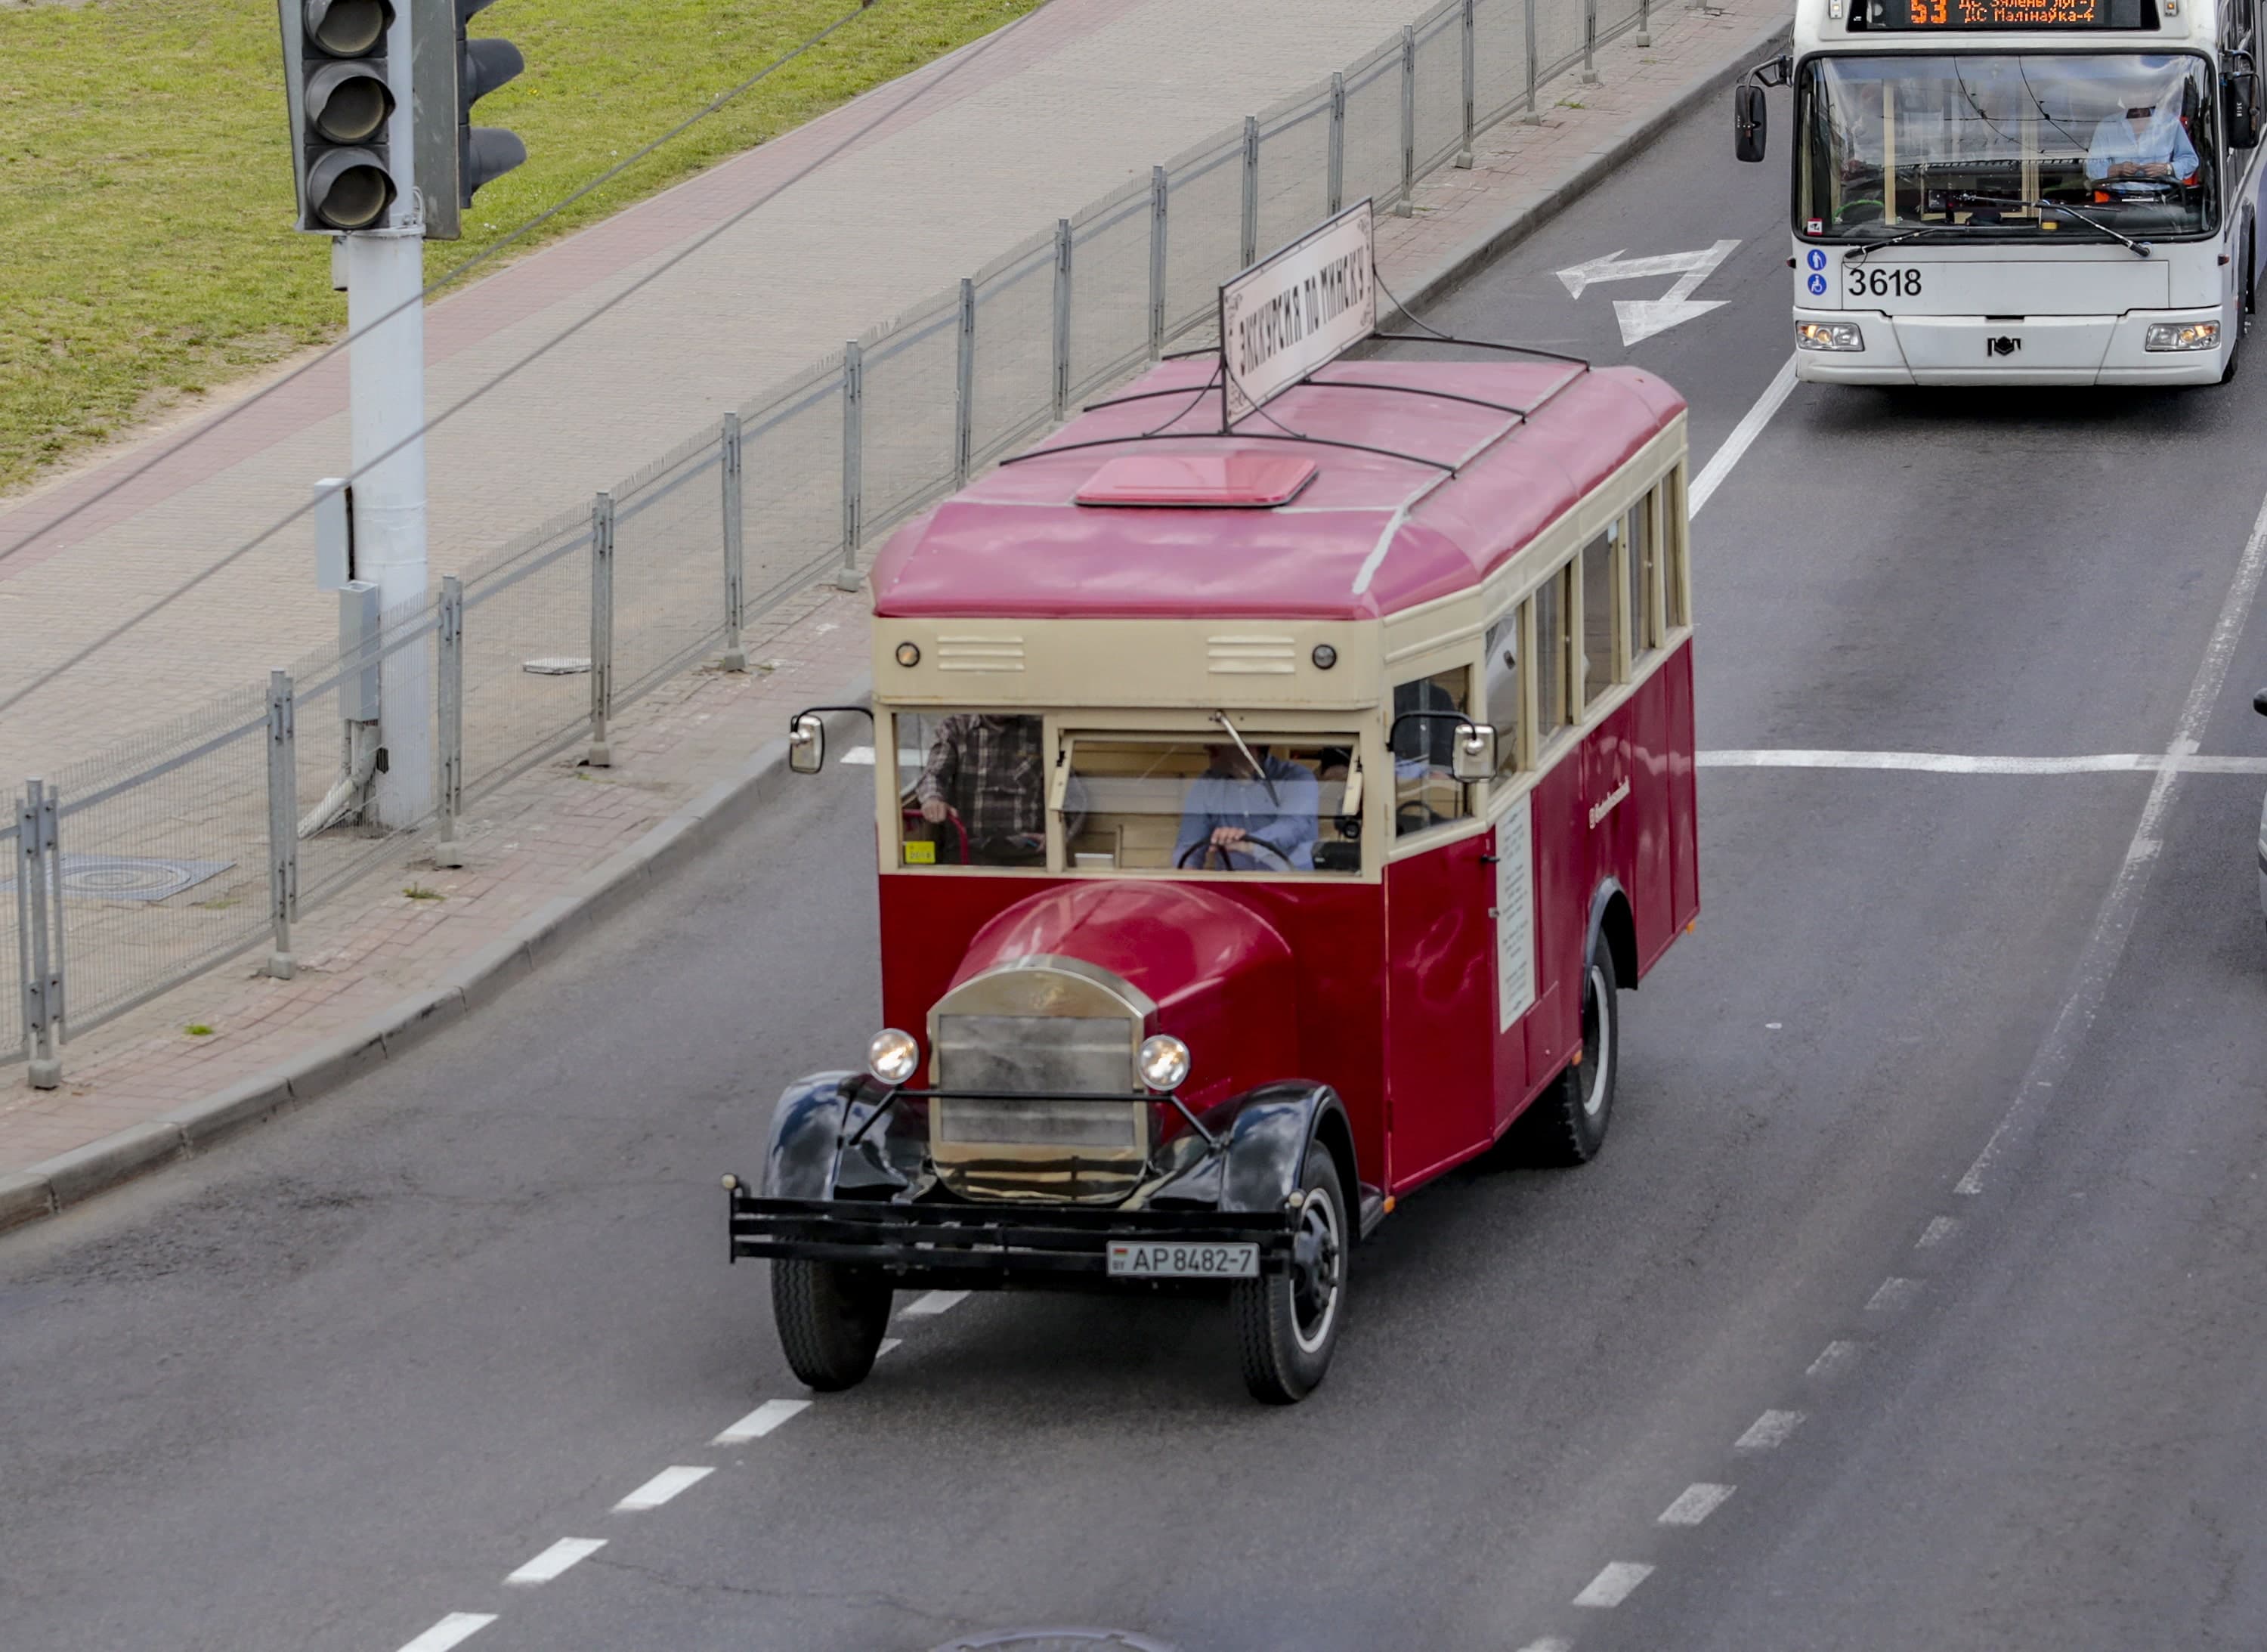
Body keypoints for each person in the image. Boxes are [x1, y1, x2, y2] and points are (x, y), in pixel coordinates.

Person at [914, 713, 1046, 865]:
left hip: (1030, 852)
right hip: (968, 850)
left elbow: (1068, 788)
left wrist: (1058, 836)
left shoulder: (1040, 728)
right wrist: (933, 799)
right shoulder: (956, 728)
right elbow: (934, 775)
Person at [1174, 743, 1318, 871]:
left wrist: (1248, 844)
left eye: (1220, 741)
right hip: (1233, 890)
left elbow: (1293, 826)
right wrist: (1187, 873)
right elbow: (1189, 844)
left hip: (1291, 887)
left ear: (1250, 744)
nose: (1207, 746)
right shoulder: (1207, 784)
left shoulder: (1295, 777)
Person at [2086, 99, 2200, 187]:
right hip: (2118, 201)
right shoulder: (2108, 125)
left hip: (2164, 199)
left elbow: (2191, 161)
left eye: (2141, 94)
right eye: (2131, 94)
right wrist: (2118, 169)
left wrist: (2167, 169)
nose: (2136, 100)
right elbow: (2091, 168)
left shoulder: (2169, 123)